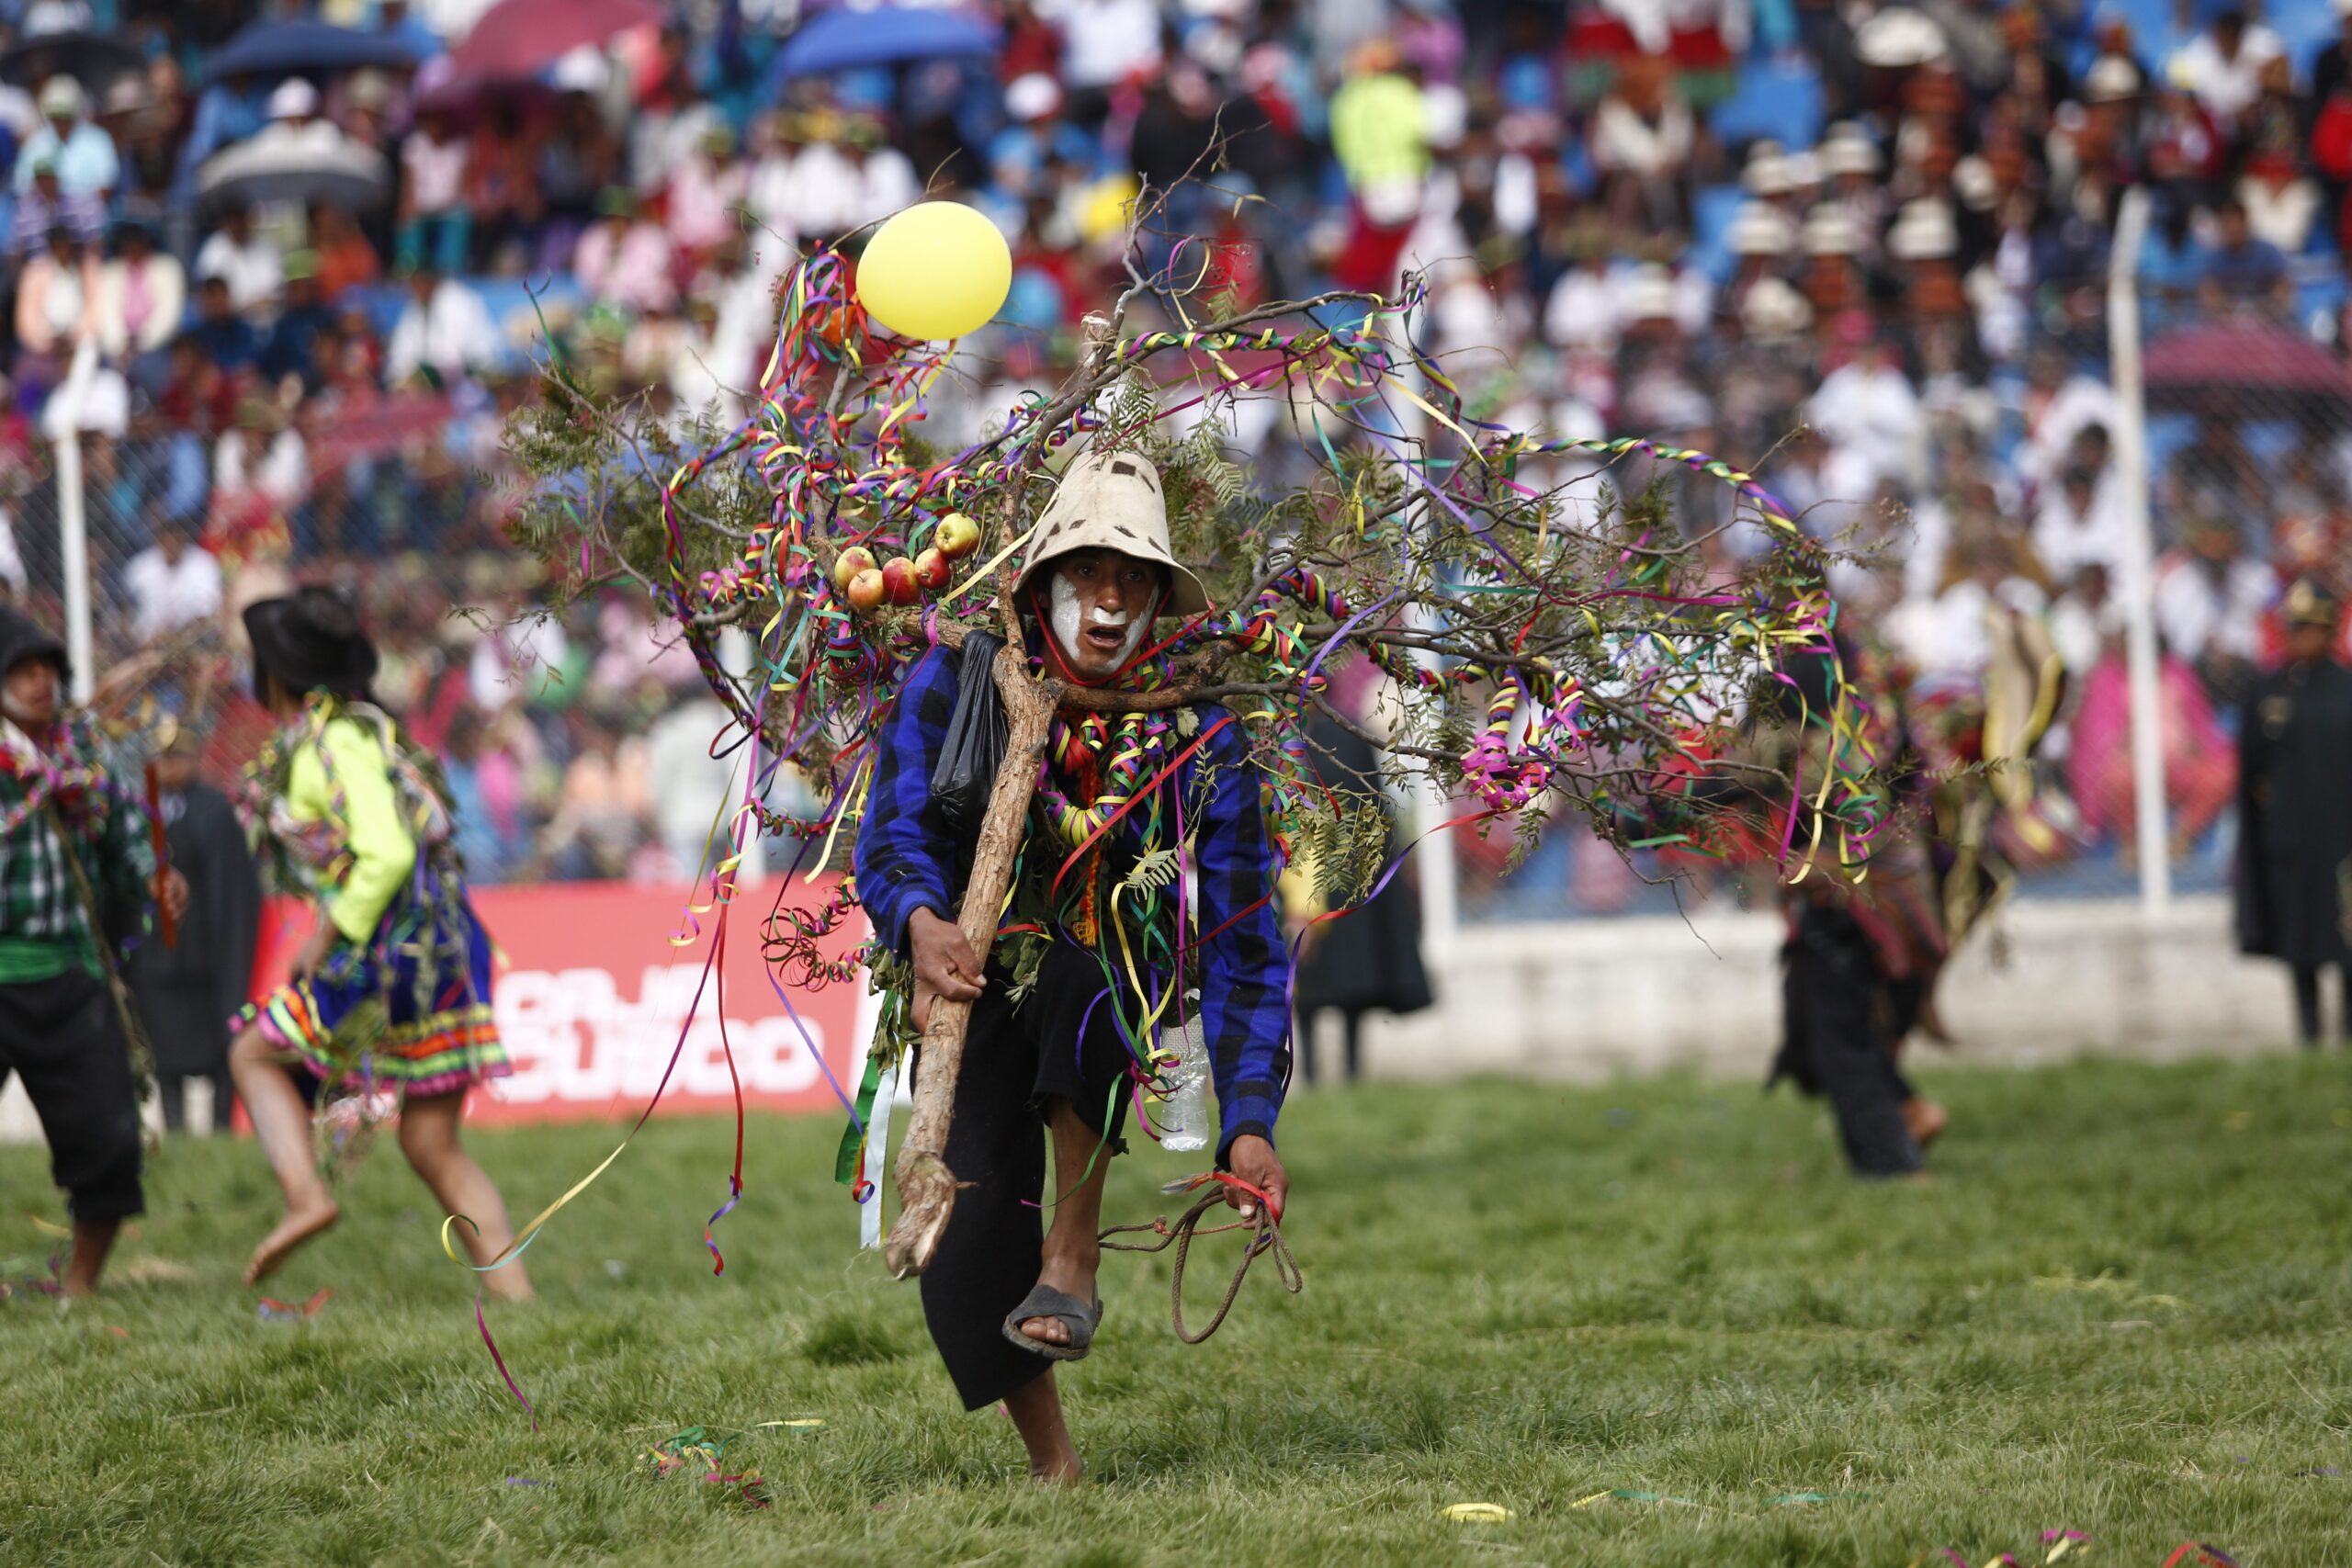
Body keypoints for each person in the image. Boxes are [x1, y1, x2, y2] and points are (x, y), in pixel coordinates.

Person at [854, 449, 1291, 1483]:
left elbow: (1244, 941)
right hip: (961, 988)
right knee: (955, 1253)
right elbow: (892, 833)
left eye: (1132, 579)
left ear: (1156, 601)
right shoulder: (960, 679)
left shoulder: (1200, 736)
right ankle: (1057, 1470)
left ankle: (1076, 1252)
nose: (1108, 600)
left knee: (1077, 981)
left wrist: (1251, 1120)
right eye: (1087, 573)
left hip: (1108, 995)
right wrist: (919, 922)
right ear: (1039, 583)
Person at [227, 586, 532, 1297]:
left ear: (277, 675)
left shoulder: (326, 744)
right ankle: (521, 1304)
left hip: (393, 955)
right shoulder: (363, 731)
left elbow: (388, 853)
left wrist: (325, 931)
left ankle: (307, 1196)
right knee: (430, 1142)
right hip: (446, 945)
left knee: (250, 1052)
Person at [0, 606, 187, 1292]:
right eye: (22, 668)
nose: (40, 680)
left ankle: (79, 1285)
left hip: (73, 974)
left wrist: (154, 873)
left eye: (47, 667)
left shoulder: (81, 749)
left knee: (109, 1141)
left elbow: (127, 831)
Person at [127, 719, 260, 1134]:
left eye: (177, 756)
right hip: (157, 964)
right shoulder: (136, 810)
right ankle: (175, 1128)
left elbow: (233, 889)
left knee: (221, 1047)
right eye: (161, 758)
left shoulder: (214, 809)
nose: (169, 766)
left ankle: (221, 1127)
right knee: (164, 1051)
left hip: (207, 960)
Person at [2235, 580, 2352, 1046]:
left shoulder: (2346, 690)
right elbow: (2251, 770)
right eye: (2293, 627)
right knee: (2298, 941)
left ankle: (2347, 1037)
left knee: (2345, 941)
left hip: (2344, 842)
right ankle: (2308, 1034)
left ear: (2328, 632)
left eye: (2309, 628)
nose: (2299, 637)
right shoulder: (2266, 692)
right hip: (2290, 843)